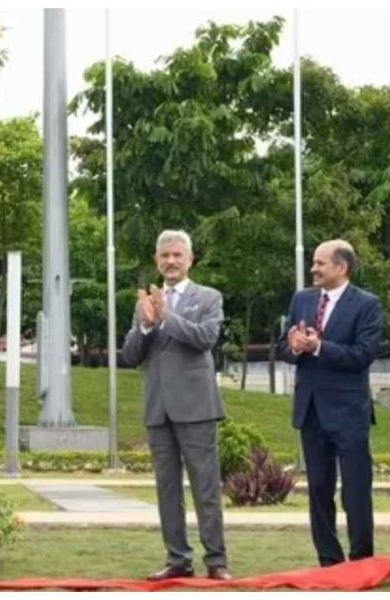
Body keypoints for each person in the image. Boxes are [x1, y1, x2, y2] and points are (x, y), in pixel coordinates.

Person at [122, 229, 231, 581]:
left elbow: (205, 339)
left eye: (177, 255)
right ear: (157, 260)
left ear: (190, 259)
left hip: (197, 407)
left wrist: (168, 317)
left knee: (205, 487)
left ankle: (216, 560)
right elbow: (130, 355)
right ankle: (177, 558)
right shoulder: (146, 303)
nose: (170, 261)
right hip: (158, 408)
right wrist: (145, 324)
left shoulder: (208, 297)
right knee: (167, 488)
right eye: (164, 256)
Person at [277, 240, 382, 567]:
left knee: (355, 492)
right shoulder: (302, 299)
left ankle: (361, 560)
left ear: (342, 267)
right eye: (313, 262)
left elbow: (363, 355)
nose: (313, 269)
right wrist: (293, 346)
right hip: (310, 411)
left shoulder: (367, 304)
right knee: (319, 492)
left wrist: (319, 346)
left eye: (320, 263)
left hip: (350, 413)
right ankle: (329, 563)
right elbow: (282, 347)